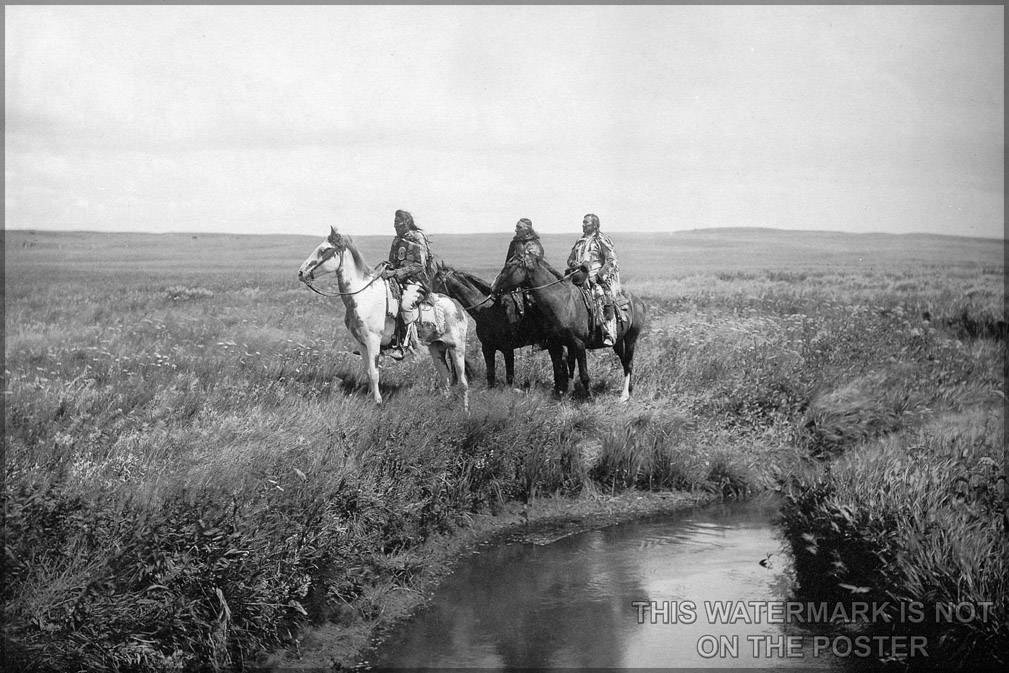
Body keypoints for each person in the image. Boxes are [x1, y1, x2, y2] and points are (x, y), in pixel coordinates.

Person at [380, 209, 433, 359]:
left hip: (416, 281)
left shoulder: (417, 238)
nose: (395, 226)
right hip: (397, 280)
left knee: (405, 305)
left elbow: (419, 265)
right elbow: (393, 262)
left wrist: (396, 273)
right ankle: (385, 342)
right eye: (394, 223)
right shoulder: (396, 240)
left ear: (407, 222)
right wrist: (387, 269)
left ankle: (405, 346)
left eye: (398, 223)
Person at [566, 213, 621, 345]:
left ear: (595, 225)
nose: (583, 225)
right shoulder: (580, 241)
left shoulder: (601, 239)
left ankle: (608, 332)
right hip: (578, 275)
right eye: (583, 222)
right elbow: (570, 259)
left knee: (600, 295)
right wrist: (575, 265)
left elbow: (611, 260)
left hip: (596, 276)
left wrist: (598, 276)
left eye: (587, 223)